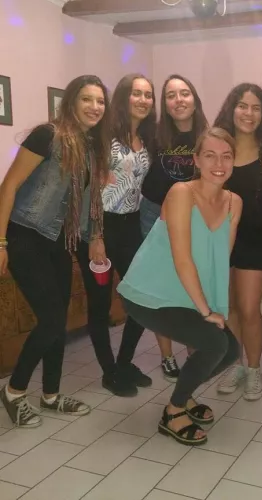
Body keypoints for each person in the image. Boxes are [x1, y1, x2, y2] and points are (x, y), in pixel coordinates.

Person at [117, 127, 242, 446]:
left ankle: (183, 396)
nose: (219, 163)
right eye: (210, 155)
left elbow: (220, 260)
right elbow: (182, 258)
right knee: (214, 345)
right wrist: (205, 311)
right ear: (196, 160)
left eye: (226, 156)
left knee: (230, 349)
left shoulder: (234, 202)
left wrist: (216, 309)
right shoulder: (181, 193)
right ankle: (173, 413)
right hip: (149, 294)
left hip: (184, 294)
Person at [0, 75, 111, 427]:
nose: (94, 107)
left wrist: (96, 236)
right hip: (25, 236)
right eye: (86, 99)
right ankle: (14, 391)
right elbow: (9, 186)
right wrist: (0, 242)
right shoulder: (46, 136)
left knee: (57, 321)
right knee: (49, 320)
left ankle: (50, 395)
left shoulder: (90, 148)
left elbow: (90, 201)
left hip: (59, 242)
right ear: (71, 102)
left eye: (100, 101)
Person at [76, 73, 157, 397]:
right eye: (137, 93)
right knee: (100, 304)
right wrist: (96, 236)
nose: (143, 100)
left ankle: (123, 363)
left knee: (142, 298)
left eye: (148, 94)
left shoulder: (147, 139)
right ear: (123, 97)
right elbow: (90, 189)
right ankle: (109, 372)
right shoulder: (103, 136)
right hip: (99, 227)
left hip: (131, 225)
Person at [140, 74, 208, 382]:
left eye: (184, 93)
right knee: (161, 288)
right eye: (171, 95)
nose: (178, 100)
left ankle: (194, 349)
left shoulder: (208, 136)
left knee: (191, 286)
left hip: (194, 217)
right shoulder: (153, 136)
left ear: (194, 99)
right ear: (165, 104)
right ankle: (167, 356)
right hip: (154, 215)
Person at [213, 83, 262, 400]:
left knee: (250, 309)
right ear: (232, 108)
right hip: (220, 239)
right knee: (230, 309)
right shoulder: (219, 144)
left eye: (256, 107)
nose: (248, 113)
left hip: (254, 237)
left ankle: (253, 369)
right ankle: (236, 365)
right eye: (242, 106)